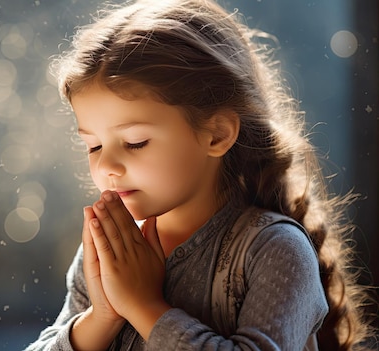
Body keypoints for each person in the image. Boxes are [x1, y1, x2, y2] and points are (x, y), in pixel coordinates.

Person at [25, 0, 373, 349]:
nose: (105, 166)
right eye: (94, 146)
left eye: (135, 142)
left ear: (217, 134)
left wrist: (142, 305)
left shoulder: (274, 251)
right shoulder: (112, 248)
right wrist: (101, 316)